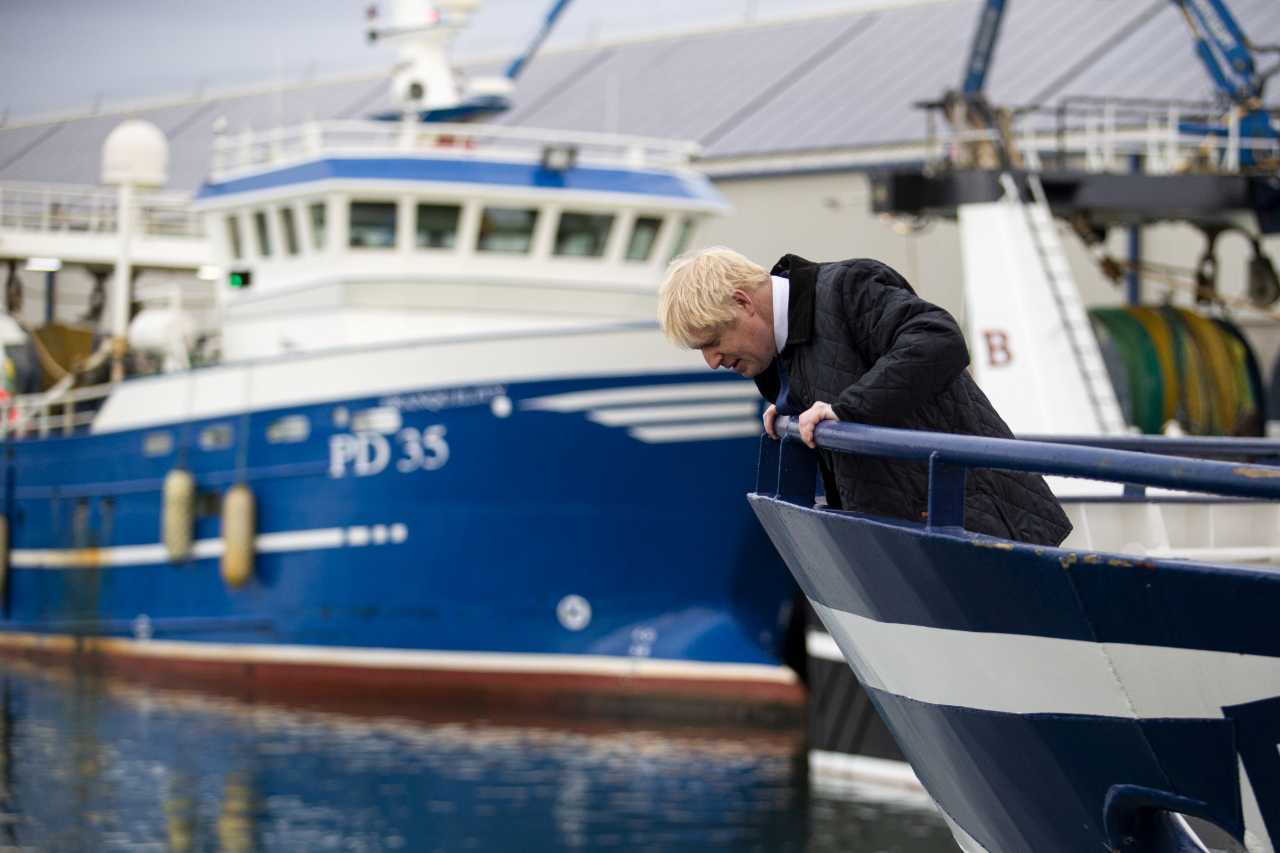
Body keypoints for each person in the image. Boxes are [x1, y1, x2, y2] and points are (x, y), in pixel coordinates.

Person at [657, 246, 1071, 547]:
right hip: (924, 539)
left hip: (985, 530)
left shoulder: (848, 287)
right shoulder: (783, 350)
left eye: (712, 341)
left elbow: (939, 339)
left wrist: (847, 410)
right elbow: (829, 378)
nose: (712, 361)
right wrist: (788, 409)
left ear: (743, 301)